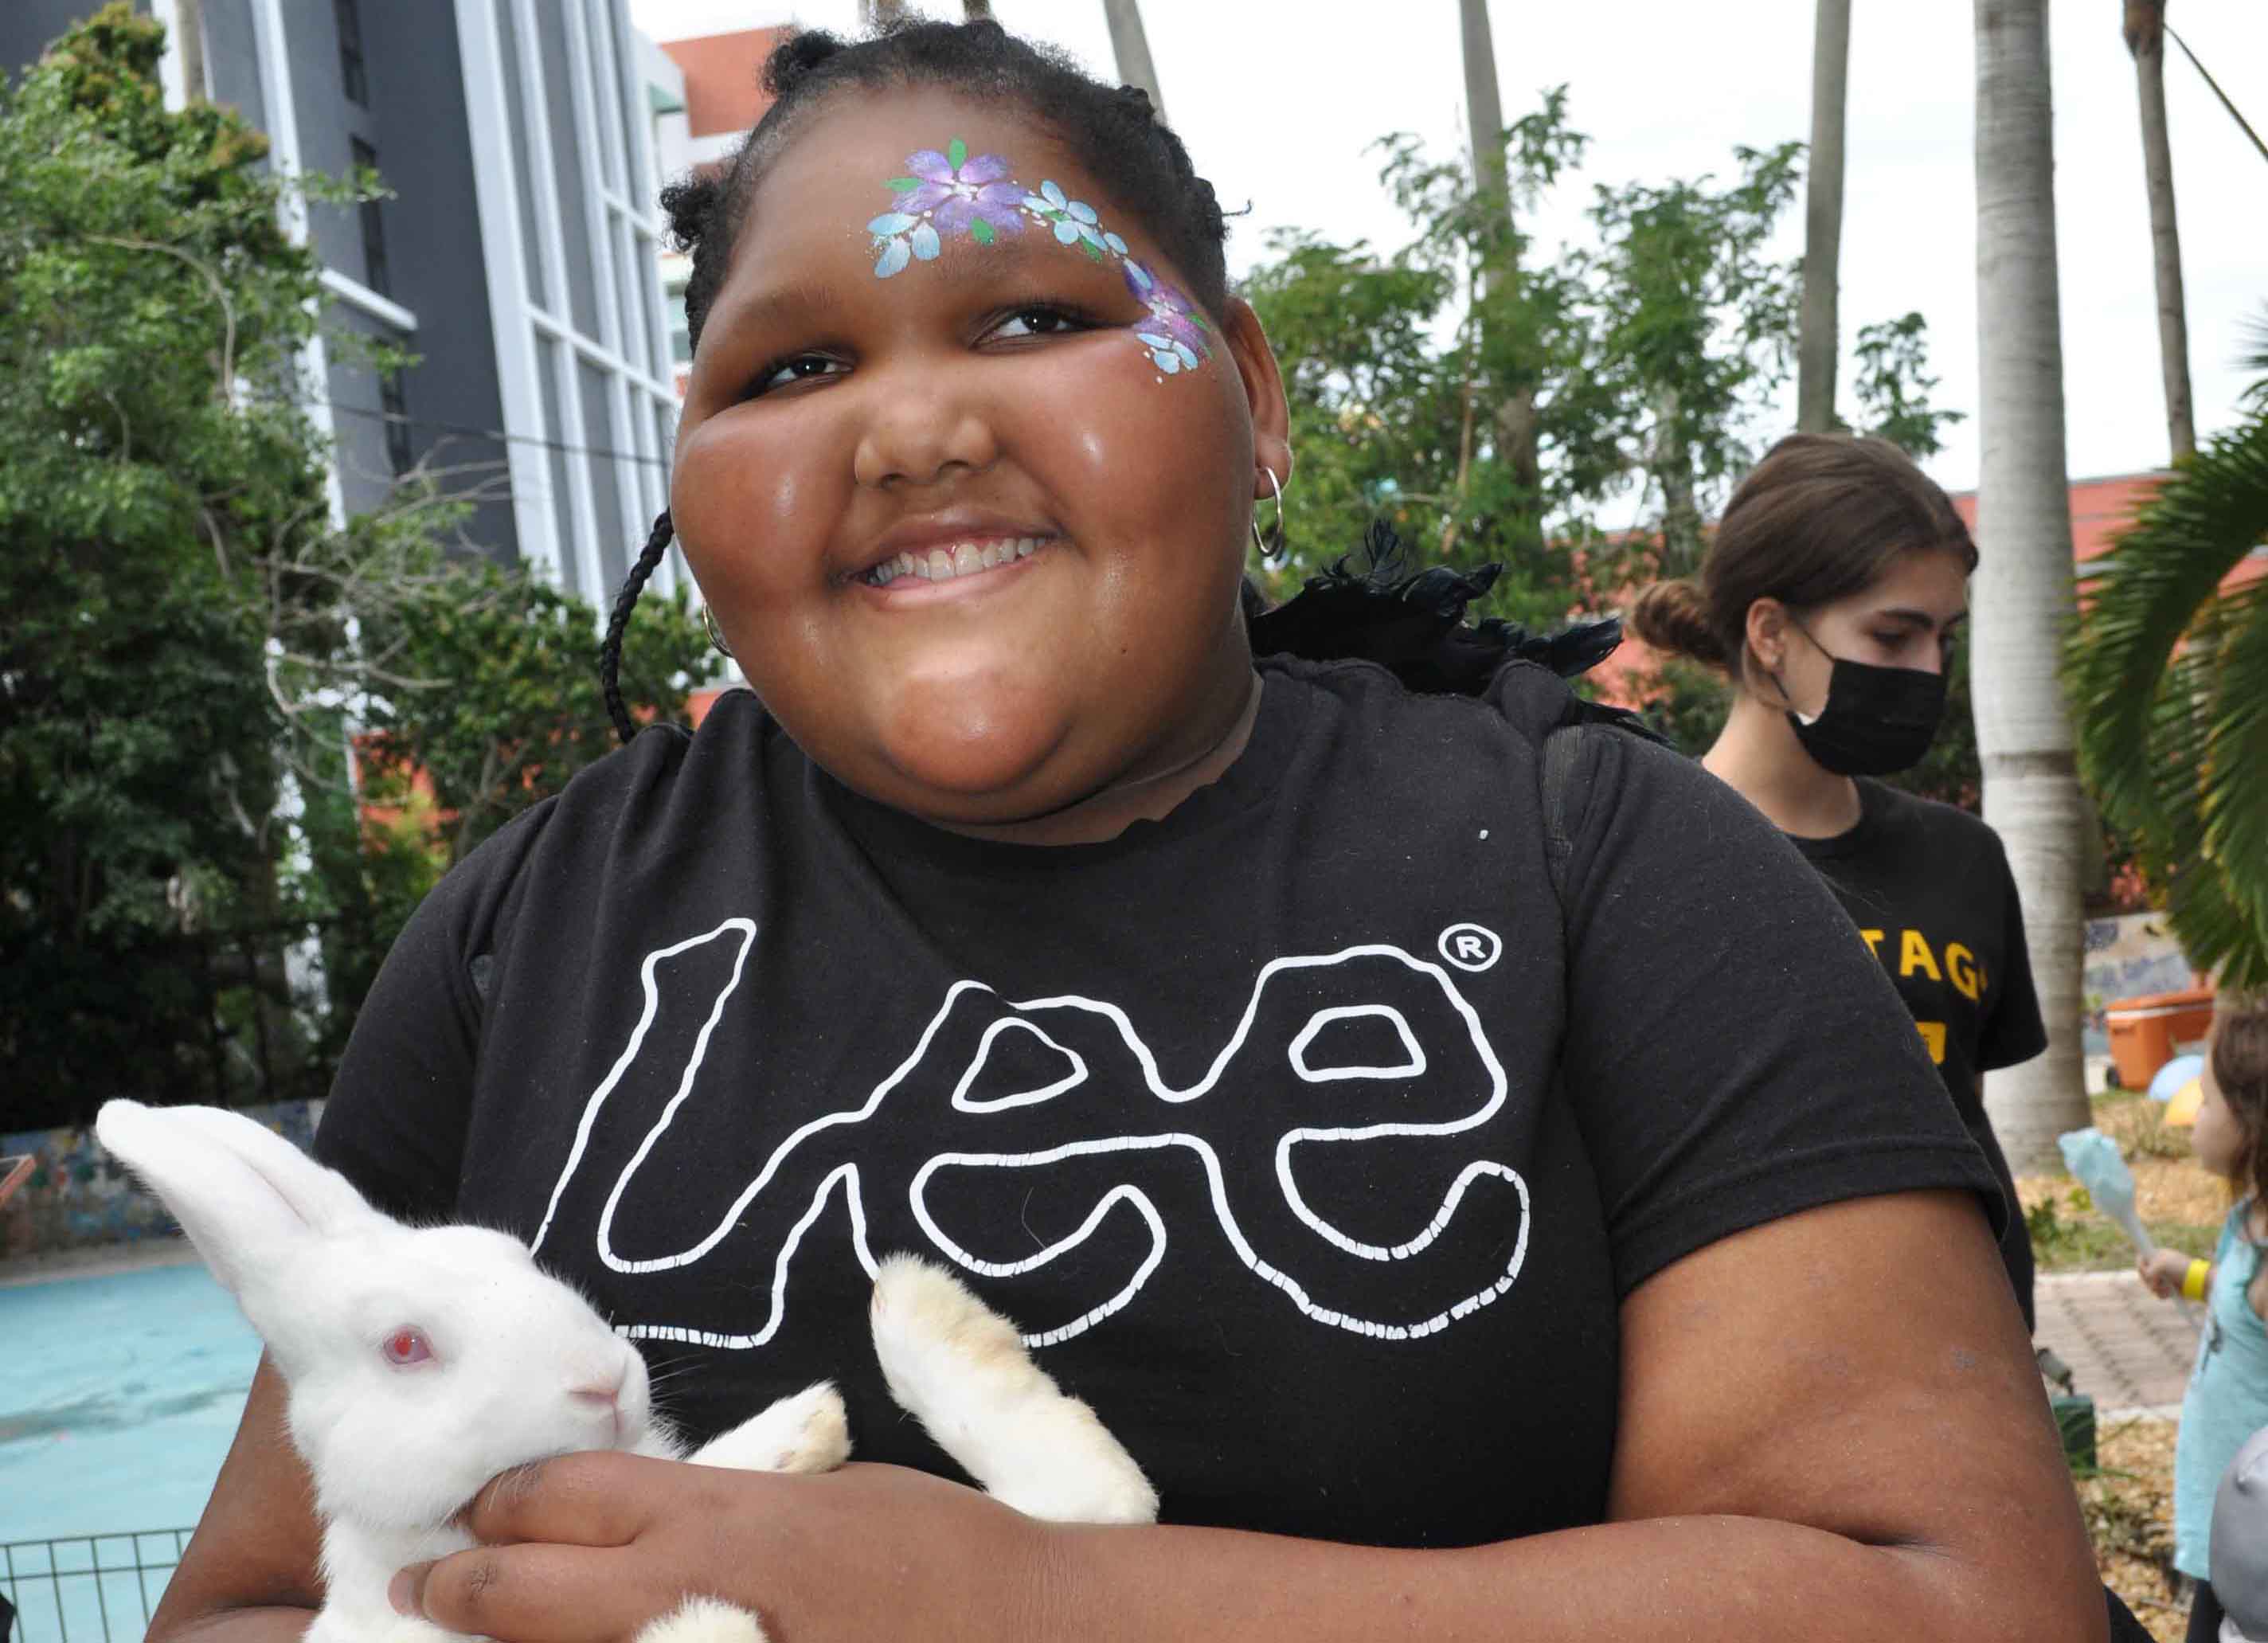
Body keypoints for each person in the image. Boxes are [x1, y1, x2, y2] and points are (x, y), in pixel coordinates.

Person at [146, 23, 2105, 1641]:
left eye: (1024, 318)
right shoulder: (528, 933)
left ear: (1245, 394)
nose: (906, 431)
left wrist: (1016, 1608)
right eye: (791, 366)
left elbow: (1945, 1595)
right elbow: (245, 1604)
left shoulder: (1607, 864)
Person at [1629, 433, 2047, 1334]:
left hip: (1976, 1358)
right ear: (1770, 631)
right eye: (1893, 634)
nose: (1930, 672)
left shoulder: (1963, 858)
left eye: (1944, 637)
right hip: (1750, 1374)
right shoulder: (1639, 862)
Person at [2140, 1001, 2268, 1642]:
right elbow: (2237, 1298)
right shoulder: (2248, 1224)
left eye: (2209, 1099)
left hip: (2257, 1538)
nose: (2194, 1113)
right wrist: (2186, 1272)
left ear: (2252, 1122)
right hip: (2228, 1518)